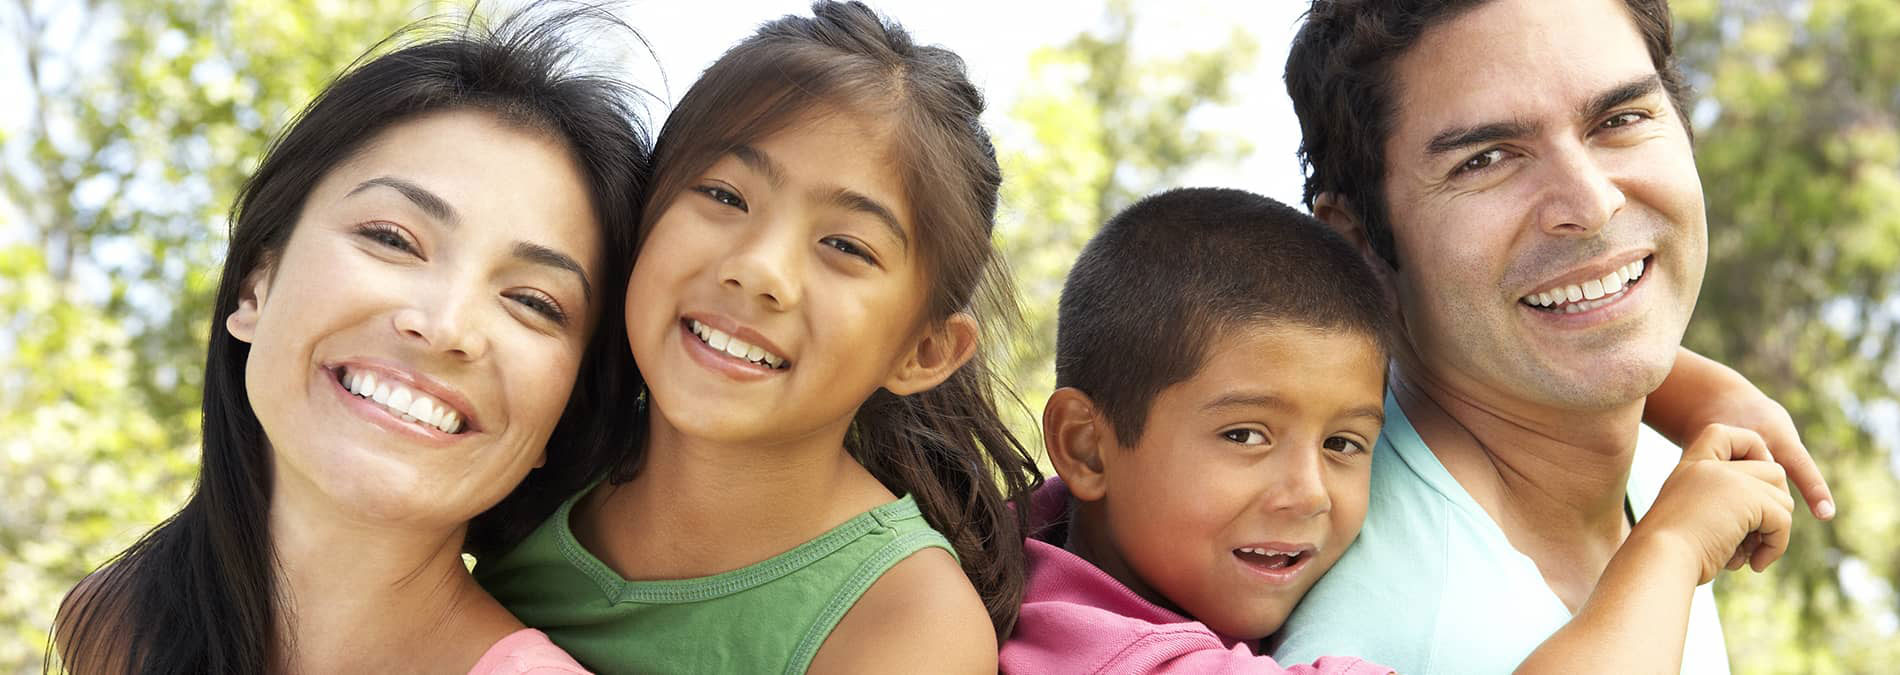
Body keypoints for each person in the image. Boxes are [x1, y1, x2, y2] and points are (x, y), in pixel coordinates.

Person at [53, 9, 650, 673]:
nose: (445, 324)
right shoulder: (114, 620)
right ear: (255, 286)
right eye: (391, 239)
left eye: (533, 302)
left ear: (563, 416)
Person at [1001, 187, 1792, 674]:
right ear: (1085, 444)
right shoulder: (1113, 659)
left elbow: (1452, 350)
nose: (1309, 493)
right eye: (1245, 436)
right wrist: (1672, 545)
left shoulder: (1041, 544)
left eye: (1345, 443)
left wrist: (1692, 389)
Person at [473, 2, 1041, 673]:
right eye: (723, 195)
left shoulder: (907, 623)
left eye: (844, 245)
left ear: (924, 351)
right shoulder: (531, 449)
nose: (758, 268)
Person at [1272, 1, 1821, 671]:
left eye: (1620, 119)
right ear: (1358, 247)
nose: (1590, 205)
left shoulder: (1670, 479)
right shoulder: (1373, 631)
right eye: (1486, 158)